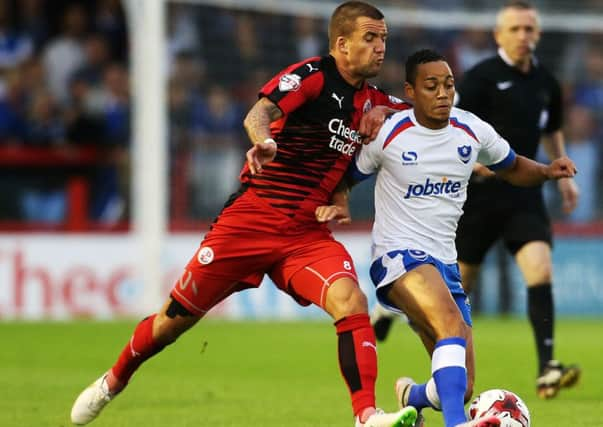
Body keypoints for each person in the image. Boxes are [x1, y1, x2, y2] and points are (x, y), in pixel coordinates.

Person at [70, 2, 418, 427]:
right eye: (371, 38)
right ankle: (114, 379)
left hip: (306, 234)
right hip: (251, 221)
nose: (381, 47)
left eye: (383, 38)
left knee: (350, 300)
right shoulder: (312, 76)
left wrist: (399, 116)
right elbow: (259, 114)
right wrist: (263, 141)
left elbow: (426, 119)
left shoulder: (376, 100)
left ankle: (366, 414)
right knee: (170, 323)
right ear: (342, 44)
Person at [316, 49, 577, 427]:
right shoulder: (390, 133)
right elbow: (343, 176)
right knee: (451, 327)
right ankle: (455, 424)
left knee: (463, 385)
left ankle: (412, 396)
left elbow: (513, 166)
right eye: (431, 86)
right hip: (398, 258)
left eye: (449, 85)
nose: (442, 93)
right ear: (410, 91)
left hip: (444, 263)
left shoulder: (471, 129)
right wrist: (337, 201)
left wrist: (548, 171)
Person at [370, 0, 581, 400]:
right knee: (450, 296)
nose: (524, 36)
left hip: (522, 193)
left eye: (530, 29)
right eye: (515, 29)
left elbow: (551, 129)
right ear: (499, 35)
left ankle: (547, 365)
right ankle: (397, 312)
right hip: (476, 198)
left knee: (540, 268)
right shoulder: (479, 79)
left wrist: (557, 173)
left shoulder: (547, 83)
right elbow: (445, 127)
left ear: (538, 34)